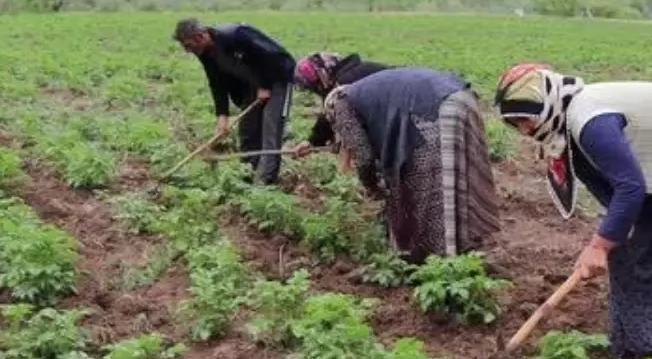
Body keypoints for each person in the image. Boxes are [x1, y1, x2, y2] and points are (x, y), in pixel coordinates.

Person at [492, 63, 652, 359]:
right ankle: (642, 339)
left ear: (545, 105)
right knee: (632, 246)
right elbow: (609, 184)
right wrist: (617, 230)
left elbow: (630, 186)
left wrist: (598, 245)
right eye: (517, 125)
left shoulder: (588, 120)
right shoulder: (563, 128)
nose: (526, 131)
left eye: (525, 120)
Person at [314, 67, 501, 262]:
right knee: (462, 175)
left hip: (431, 110)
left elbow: (363, 155)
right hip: (463, 99)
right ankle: (466, 244)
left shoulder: (340, 104)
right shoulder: (364, 92)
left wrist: (371, 187)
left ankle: (435, 259)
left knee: (424, 191)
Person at [173, 18, 295, 185]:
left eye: (188, 45)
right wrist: (222, 115)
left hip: (277, 78)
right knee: (247, 130)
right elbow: (216, 83)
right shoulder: (205, 53)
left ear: (200, 37)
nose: (187, 50)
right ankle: (247, 175)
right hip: (252, 85)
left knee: (270, 130)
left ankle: (264, 183)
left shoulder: (235, 35)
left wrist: (265, 85)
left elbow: (268, 56)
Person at [292, 51, 393, 151]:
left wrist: (313, 141)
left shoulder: (344, 84)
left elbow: (331, 114)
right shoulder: (353, 72)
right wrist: (312, 142)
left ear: (321, 76)